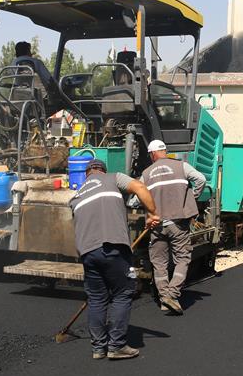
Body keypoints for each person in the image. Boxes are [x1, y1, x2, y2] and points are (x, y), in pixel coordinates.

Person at [70, 158, 160, 360]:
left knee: (96, 298)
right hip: (113, 247)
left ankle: (98, 348)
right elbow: (139, 187)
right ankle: (117, 346)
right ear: (102, 170)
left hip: (88, 252)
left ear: (86, 174)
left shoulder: (76, 195)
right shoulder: (113, 178)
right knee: (123, 293)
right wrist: (152, 214)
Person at [141, 139, 207, 315]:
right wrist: (191, 196)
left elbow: (135, 197)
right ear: (164, 150)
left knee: (159, 263)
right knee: (182, 259)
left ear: (152, 154)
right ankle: (172, 294)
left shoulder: (146, 173)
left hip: (157, 225)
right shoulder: (181, 166)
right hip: (178, 223)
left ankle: (164, 300)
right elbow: (201, 179)